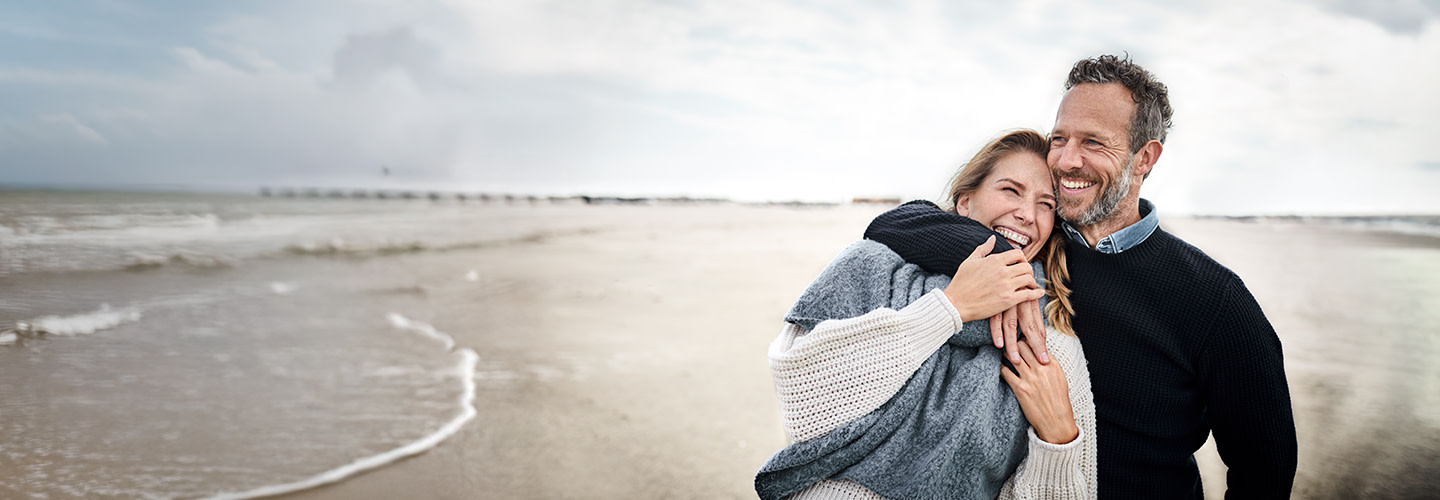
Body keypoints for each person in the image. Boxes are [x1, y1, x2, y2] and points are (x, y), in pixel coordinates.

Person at [866, 55, 1298, 499]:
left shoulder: (1214, 299)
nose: (1067, 160)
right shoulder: (1034, 241)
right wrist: (1003, 262)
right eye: (1060, 139)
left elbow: (1265, 469)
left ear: (1144, 157)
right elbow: (894, 224)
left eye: (1093, 142)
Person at [755, 130, 1097, 500]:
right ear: (965, 201)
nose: (1027, 214)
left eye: (1046, 204)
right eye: (1010, 190)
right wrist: (949, 309)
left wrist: (1059, 442)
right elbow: (803, 405)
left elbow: (1075, 490)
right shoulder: (870, 265)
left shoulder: (1047, 331)